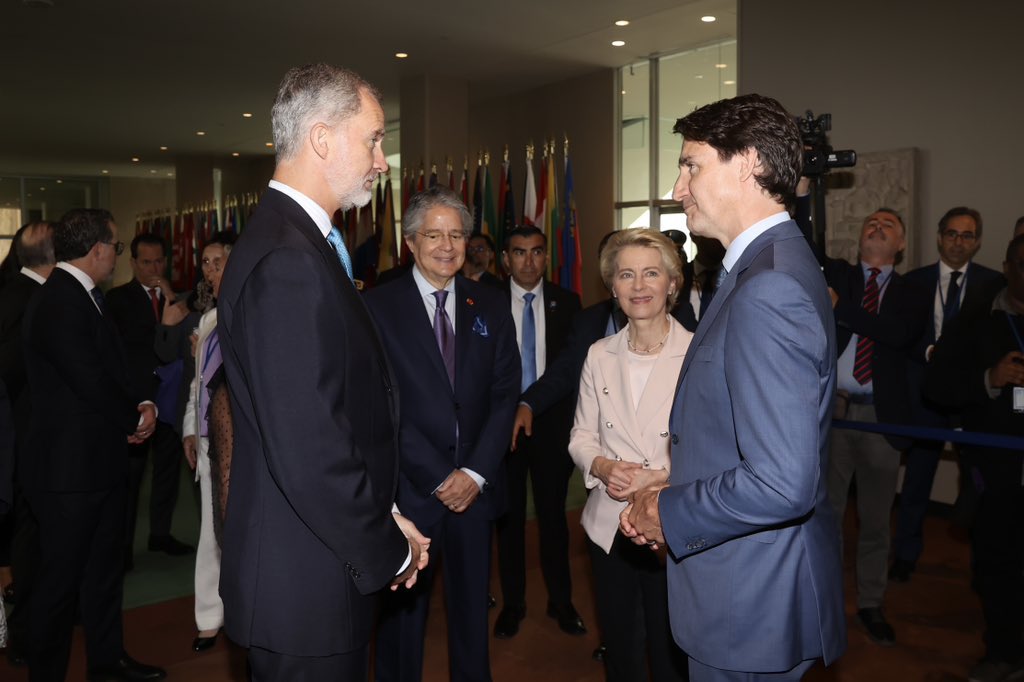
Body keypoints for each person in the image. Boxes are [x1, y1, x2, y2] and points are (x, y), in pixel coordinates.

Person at [620, 93, 846, 680]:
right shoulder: (771, 265)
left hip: (748, 601)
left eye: (691, 164)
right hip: (751, 586)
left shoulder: (769, 286)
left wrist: (670, 511)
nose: (678, 187)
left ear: (747, 163)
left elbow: (781, 481)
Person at [216, 63, 428, 680]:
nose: (382, 160)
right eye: (374, 138)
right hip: (303, 582)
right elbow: (311, 447)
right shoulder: (289, 259)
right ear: (322, 138)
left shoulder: (298, 242)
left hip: (314, 561)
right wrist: (387, 549)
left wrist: (382, 516)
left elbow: (332, 413)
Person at [366, 185, 520, 682]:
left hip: (475, 492)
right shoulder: (378, 307)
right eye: (434, 234)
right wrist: (438, 475)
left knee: (472, 613)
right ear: (410, 241)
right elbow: (379, 407)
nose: (447, 246)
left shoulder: (491, 304)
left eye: (457, 234)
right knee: (402, 623)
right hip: (411, 492)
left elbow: (504, 395)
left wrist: (473, 473)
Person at [22, 208, 165, 681]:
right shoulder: (60, 300)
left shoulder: (85, 296)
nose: (116, 257)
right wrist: (132, 417)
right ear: (97, 249)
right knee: (59, 586)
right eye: (117, 248)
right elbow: (88, 379)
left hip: (97, 464)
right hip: (67, 476)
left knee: (103, 576)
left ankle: (107, 662)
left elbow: (112, 365)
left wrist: (141, 401)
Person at [570, 228, 691, 681]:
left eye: (651, 273)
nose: (639, 286)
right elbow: (581, 436)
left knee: (670, 648)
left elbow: (714, 450)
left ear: (672, 284)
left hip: (672, 521)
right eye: (626, 275)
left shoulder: (698, 352)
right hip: (609, 521)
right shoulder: (599, 354)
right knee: (620, 646)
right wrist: (602, 465)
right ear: (613, 287)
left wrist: (657, 477)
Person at [816, 207, 929, 646]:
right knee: (826, 515)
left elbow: (896, 335)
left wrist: (843, 310)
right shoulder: (838, 275)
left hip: (882, 417)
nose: (877, 226)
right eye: (870, 223)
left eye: (889, 225)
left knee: (876, 519)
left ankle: (870, 603)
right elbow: (805, 245)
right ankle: (825, 600)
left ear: (901, 245)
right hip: (834, 413)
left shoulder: (911, 291)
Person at [924, 234, 1024, 682]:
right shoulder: (977, 320)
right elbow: (938, 387)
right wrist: (989, 378)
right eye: (1023, 264)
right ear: (1007, 266)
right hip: (997, 474)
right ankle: (1003, 652)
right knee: (997, 567)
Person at [891, 206, 1003, 583]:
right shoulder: (913, 281)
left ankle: (982, 566)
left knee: (979, 484)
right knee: (917, 481)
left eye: (967, 235)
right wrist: (929, 352)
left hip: (972, 398)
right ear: (940, 237)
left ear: (978, 242)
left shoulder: (994, 284)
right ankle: (905, 555)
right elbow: (900, 336)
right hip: (926, 396)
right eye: (952, 234)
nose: (958, 242)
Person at [494, 225, 584, 639]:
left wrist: (534, 402)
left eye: (537, 252)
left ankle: (561, 602)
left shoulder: (568, 303)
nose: (528, 261)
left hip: (551, 427)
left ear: (547, 257)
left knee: (553, 521)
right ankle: (513, 605)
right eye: (519, 253)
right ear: (504, 259)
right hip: (502, 430)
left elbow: (568, 370)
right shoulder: (486, 302)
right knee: (509, 522)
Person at [105, 233, 192, 563]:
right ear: (133, 263)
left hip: (169, 396)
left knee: (168, 471)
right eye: (146, 262)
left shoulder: (179, 297)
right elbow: (126, 350)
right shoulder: (117, 300)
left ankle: (160, 533)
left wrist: (171, 299)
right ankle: (123, 547)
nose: (154, 267)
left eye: (159, 261)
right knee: (131, 477)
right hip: (136, 399)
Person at [0, 221, 54, 666]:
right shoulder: (27, 298)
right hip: (23, 436)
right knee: (29, 533)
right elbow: (15, 372)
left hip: (26, 435)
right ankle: (26, 634)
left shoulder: (18, 292)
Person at [181, 233, 234, 653]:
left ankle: (240, 609)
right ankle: (208, 618)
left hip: (239, 445)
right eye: (205, 263)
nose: (209, 270)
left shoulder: (247, 314)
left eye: (218, 262)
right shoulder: (207, 319)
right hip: (206, 441)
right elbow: (197, 385)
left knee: (235, 529)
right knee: (209, 532)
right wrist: (188, 428)